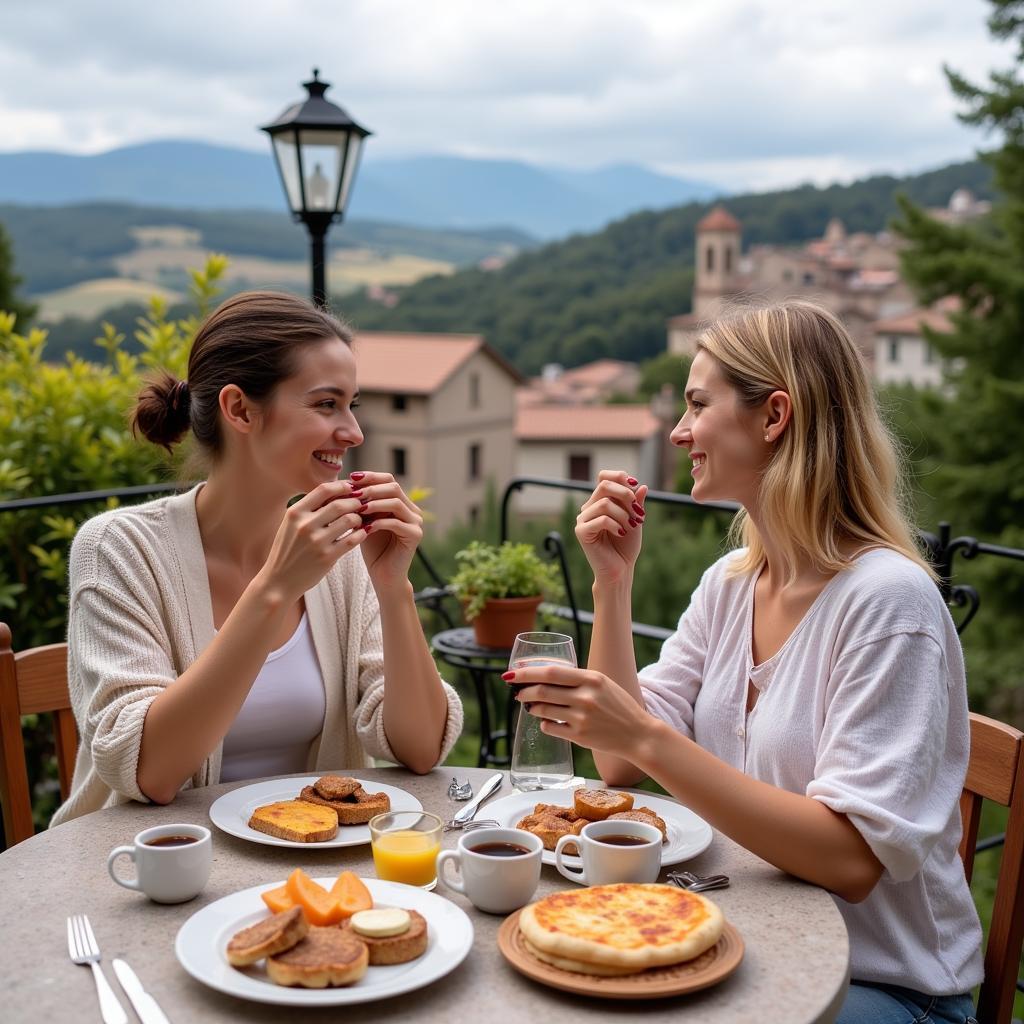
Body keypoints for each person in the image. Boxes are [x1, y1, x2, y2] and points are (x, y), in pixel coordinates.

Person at [503, 301, 982, 1023]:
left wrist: (643, 736)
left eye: (698, 404)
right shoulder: (732, 582)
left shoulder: (890, 604)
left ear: (774, 415)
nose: (679, 430)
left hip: (884, 989)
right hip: (752, 948)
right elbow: (616, 769)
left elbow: (851, 862)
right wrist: (612, 582)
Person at [52, 291, 463, 826]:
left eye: (351, 405)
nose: (354, 432)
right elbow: (151, 771)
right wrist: (273, 589)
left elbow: (420, 749)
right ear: (240, 410)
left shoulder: (336, 553)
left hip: (310, 872)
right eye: (325, 404)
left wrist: (392, 587)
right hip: (148, 875)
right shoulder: (118, 550)